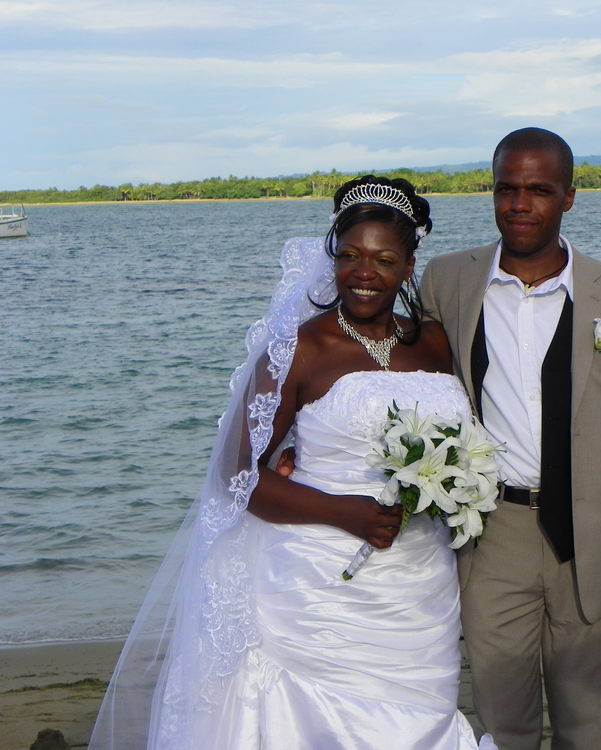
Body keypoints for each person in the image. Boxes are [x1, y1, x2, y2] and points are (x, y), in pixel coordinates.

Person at [90, 175, 496, 749]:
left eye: (384, 259)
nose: (363, 272)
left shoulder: (433, 342)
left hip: (421, 585)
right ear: (333, 258)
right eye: (350, 255)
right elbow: (235, 474)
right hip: (319, 585)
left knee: (423, 716)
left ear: (409, 268)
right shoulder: (301, 348)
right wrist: (345, 513)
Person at [420, 128, 601, 750]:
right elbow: (404, 382)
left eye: (539, 190)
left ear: (569, 197)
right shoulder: (447, 281)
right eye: (506, 188)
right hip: (491, 533)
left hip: (589, 538)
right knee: (504, 722)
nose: (519, 204)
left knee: (591, 724)